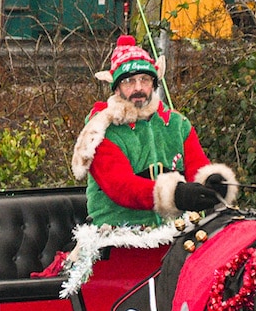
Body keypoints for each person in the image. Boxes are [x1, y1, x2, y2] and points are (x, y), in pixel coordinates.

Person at [71, 35, 238, 226]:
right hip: (118, 234)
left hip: (176, 231)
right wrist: (176, 195)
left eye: (144, 79)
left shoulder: (177, 124)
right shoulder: (101, 131)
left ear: (154, 82)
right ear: (116, 88)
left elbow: (197, 167)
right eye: (129, 81)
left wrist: (212, 183)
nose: (139, 88)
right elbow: (122, 188)